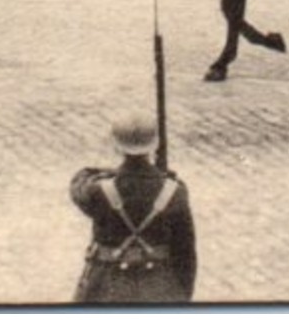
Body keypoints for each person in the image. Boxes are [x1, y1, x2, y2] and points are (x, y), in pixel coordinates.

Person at [69, 112, 197, 303]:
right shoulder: (174, 192)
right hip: (159, 284)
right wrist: (180, 294)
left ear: (115, 145)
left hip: (106, 284)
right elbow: (185, 253)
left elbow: (78, 184)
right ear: (154, 144)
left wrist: (111, 172)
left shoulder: (98, 191)